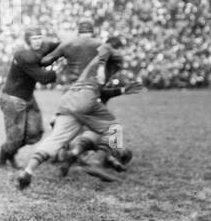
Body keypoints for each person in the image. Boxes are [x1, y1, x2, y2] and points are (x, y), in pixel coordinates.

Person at [15, 37, 129, 191]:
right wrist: (102, 66)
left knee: (56, 139)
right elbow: (106, 49)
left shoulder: (94, 63)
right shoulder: (111, 52)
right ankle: (96, 162)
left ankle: (28, 171)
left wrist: (121, 89)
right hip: (85, 98)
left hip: (69, 99)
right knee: (114, 128)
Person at [0, 28, 58, 170]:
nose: (38, 41)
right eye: (34, 39)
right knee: (15, 137)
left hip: (28, 97)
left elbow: (57, 46)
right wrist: (59, 69)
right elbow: (43, 78)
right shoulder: (23, 56)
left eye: (39, 37)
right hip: (13, 100)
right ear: (28, 40)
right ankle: (2, 159)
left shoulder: (41, 48)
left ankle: (11, 153)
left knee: (35, 133)